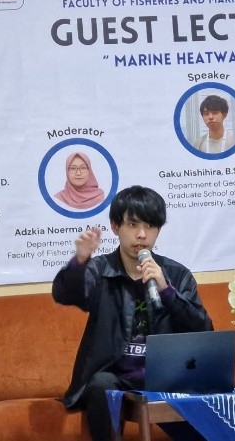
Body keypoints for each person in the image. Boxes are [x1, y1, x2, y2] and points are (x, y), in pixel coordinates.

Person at [52, 185, 212, 441]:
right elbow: (65, 294)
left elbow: (203, 330)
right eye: (133, 225)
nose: (142, 235)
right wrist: (79, 263)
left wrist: (166, 290)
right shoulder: (100, 269)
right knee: (101, 385)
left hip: (165, 375)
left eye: (150, 226)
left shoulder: (176, 274)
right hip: (116, 376)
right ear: (116, 227)